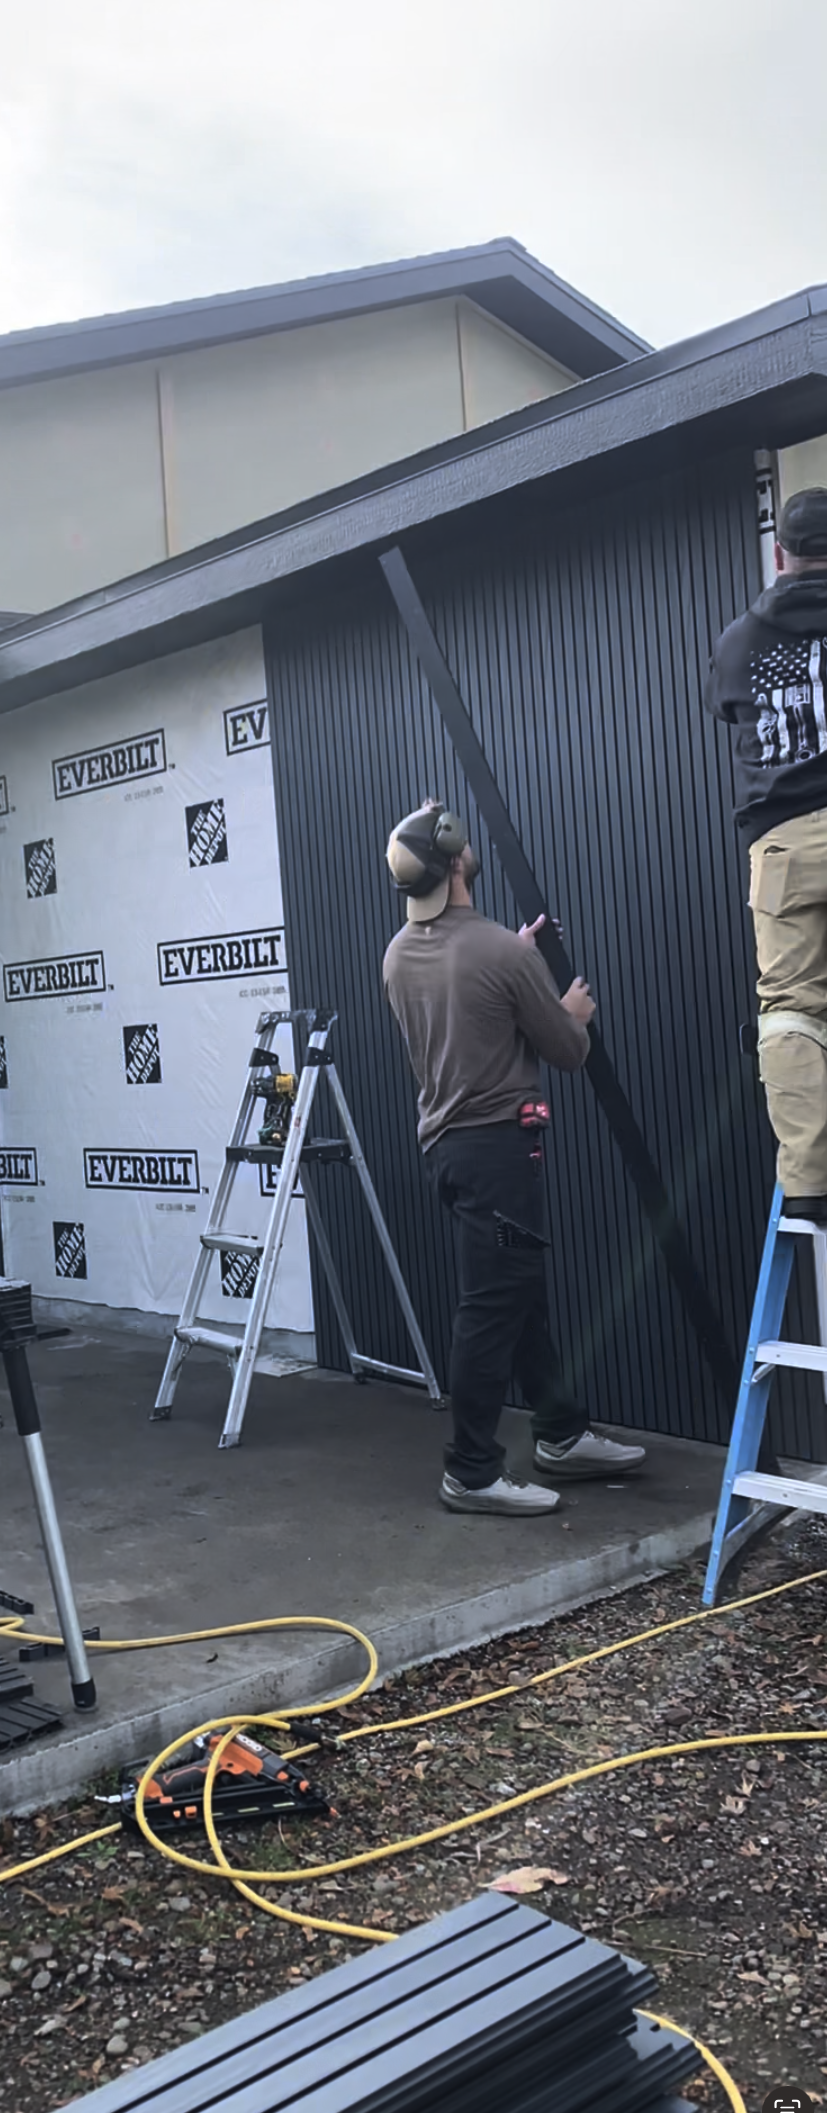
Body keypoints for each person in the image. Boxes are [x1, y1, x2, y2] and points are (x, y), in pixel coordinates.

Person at [382, 800, 646, 1516]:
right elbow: (566, 1050)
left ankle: (560, 1434)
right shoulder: (502, 952)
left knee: (518, 1293)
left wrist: (518, 965)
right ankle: (470, 1472)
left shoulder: (400, 955)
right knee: (494, 1304)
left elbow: (469, 1003)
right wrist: (571, 1012)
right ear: (457, 860)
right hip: (501, 1154)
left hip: (449, 1151)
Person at [707, 486, 827, 1224]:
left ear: (780, 554)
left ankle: (809, 1179)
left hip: (783, 839)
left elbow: (725, 707)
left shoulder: (740, 641)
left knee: (790, 1008)